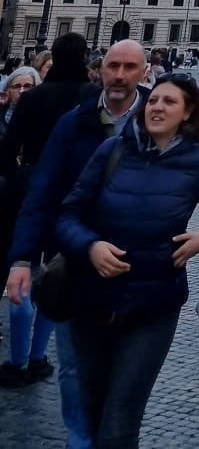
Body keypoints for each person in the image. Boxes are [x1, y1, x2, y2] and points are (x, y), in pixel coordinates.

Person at [55, 72, 199, 449]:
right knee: (93, 415)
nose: (157, 107)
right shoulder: (112, 150)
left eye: (169, 102)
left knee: (119, 423)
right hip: (91, 299)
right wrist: (91, 246)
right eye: (154, 100)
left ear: (188, 112)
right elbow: (67, 215)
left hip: (152, 308)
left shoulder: (197, 162)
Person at [5, 39, 149, 449]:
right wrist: (21, 257)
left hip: (141, 267)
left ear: (143, 73)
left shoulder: (164, 116)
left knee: (128, 377)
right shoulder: (76, 120)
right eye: (112, 66)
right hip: (77, 258)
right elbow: (44, 192)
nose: (119, 75)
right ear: (98, 69)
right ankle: (80, 440)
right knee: (73, 367)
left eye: (129, 67)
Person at [0, 67, 51, 389]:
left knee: (36, 282)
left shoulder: (45, 125)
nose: (23, 91)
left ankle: (32, 358)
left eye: (29, 85)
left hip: (34, 212)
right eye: (17, 86)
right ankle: (22, 360)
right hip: (6, 211)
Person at [0, 32, 91, 177]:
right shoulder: (94, 95)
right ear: (84, 57)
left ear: (54, 57)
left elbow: (9, 149)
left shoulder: (32, 97)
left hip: (36, 175)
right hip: (80, 179)